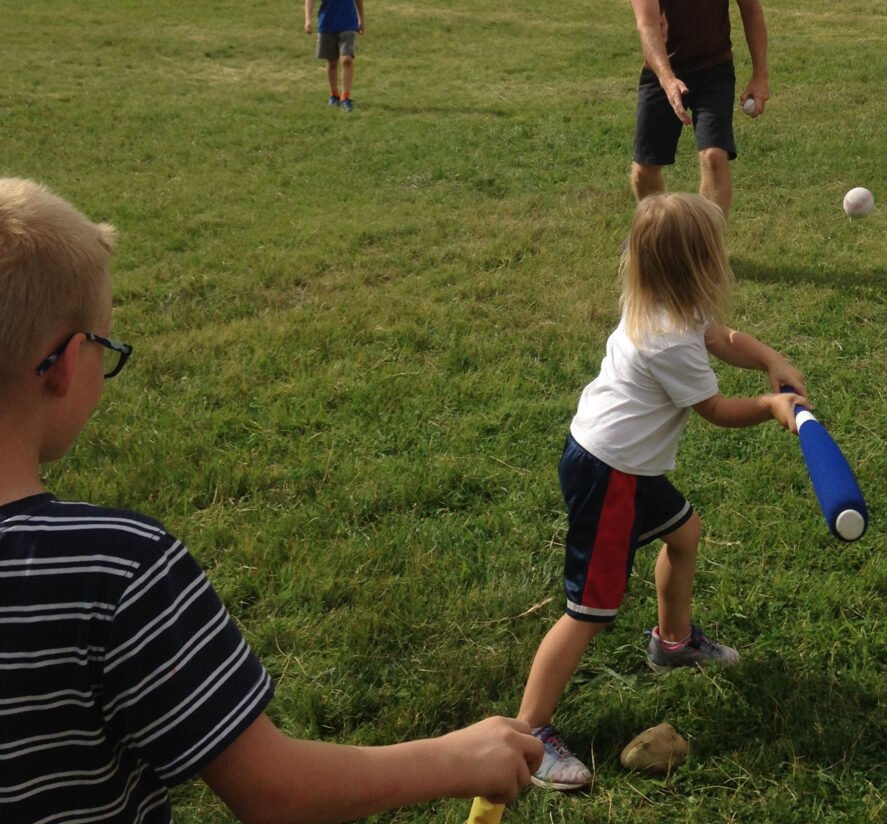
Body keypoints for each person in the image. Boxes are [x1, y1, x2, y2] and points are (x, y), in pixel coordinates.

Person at [0, 177, 542, 822]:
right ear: (62, 365)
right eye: (106, 346)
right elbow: (273, 788)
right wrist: (457, 756)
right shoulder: (113, 570)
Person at [517, 192, 807, 791]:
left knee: (685, 533)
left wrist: (771, 359)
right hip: (611, 474)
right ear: (695, 265)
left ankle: (672, 643)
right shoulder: (667, 336)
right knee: (589, 611)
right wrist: (771, 405)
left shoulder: (661, 300)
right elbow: (717, 410)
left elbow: (722, 336)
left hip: (623, 462)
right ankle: (529, 735)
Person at [629, 0, 770, 216]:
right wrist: (667, 79)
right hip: (662, 70)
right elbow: (647, 24)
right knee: (644, 170)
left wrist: (760, 76)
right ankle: (653, 234)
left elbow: (751, 10)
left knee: (714, 157)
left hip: (714, 68)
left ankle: (707, 243)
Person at [305, 0, 364, 110]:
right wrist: (308, 20)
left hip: (348, 24)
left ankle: (345, 97)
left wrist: (361, 19)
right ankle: (334, 95)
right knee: (332, 63)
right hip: (327, 24)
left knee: (347, 60)